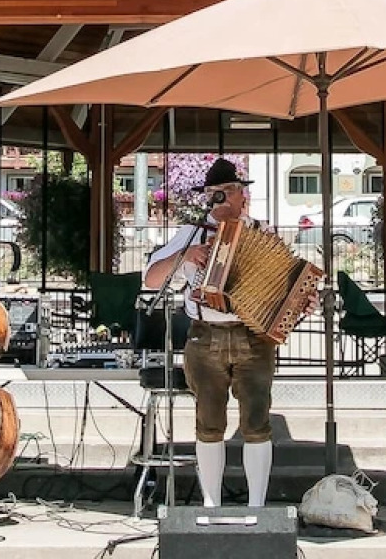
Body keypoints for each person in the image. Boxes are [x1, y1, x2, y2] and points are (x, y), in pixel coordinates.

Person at [143, 157, 275, 508]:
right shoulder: (191, 235)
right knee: (209, 422)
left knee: (257, 422)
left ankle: (258, 507)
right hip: (205, 336)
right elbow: (152, 279)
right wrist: (188, 256)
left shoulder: (261, 233)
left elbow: (284, 287)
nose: (226, 200)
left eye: (230, 193)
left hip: (252, 336)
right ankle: (211, 504)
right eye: (218, 194)